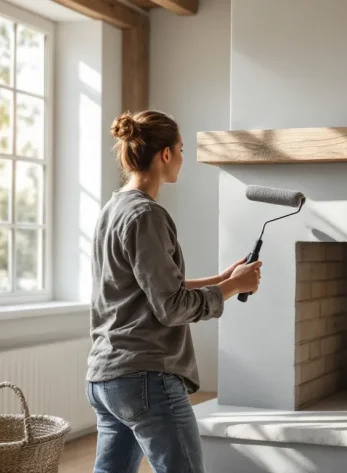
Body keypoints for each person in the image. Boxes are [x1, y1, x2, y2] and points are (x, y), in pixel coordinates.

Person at [85, 110, 261, 473]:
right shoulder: (147, 215)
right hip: (144, 376)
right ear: (166, 154)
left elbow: (142, 291)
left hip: (107, 377)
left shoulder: (113, 209)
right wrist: (233, 287)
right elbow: (171, 307)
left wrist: (220, 279)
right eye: (180, 149)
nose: (183, 158)